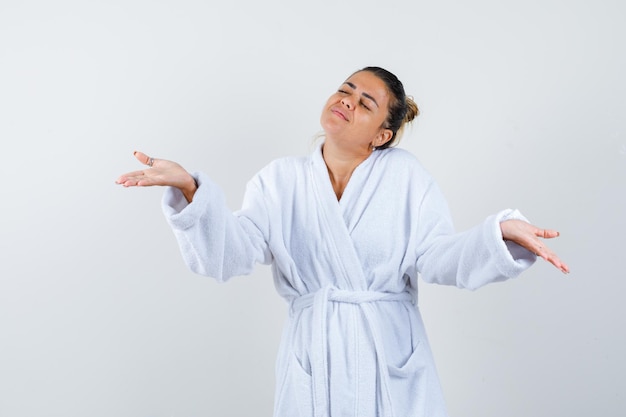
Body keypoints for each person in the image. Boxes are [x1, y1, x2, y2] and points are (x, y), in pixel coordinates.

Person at [117, 66, 568, 417]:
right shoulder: (280, 181)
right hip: (316, 357)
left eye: (365, 103)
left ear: (382, 135)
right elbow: (229, 254)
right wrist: (193, 191)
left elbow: (435, 257)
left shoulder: (405, 177)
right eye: (345, 89)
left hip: (388, 356)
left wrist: (498, 234)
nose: (346, 101)